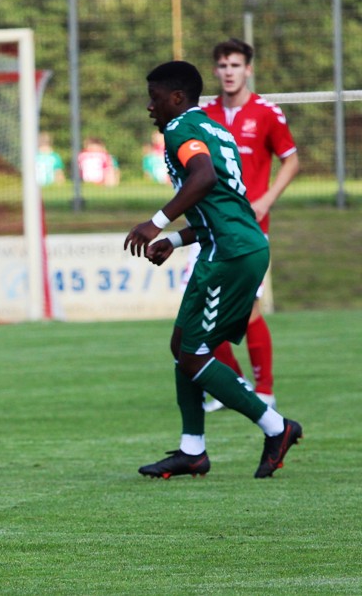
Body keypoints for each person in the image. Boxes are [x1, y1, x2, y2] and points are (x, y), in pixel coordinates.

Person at [125, 60, 302, 480]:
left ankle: (277, 427)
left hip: (231, 255)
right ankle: (192, 451)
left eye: (154, 99)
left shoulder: (180, 130)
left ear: (177, 98)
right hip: (232, 244)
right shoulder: (213, 128)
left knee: (193, 354)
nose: (150, 107)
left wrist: (157, 222)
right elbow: (222, 207)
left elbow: (202, 179)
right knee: (183, 344)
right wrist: (177, 239)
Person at [196, 38, 299, 411]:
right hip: (211, 227)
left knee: (248, 308)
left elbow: (291, 159)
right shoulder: (204, 113)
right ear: (215, 70)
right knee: (206, 308)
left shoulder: (267, 113)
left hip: (250, 229)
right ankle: (232, 384)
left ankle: (265, 390)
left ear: (248, 69)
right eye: (223, 66)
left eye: (235, 65)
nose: (228, 72)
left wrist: (265, 200)